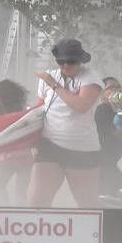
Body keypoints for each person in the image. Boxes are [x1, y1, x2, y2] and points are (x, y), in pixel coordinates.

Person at [29, 39, 104, 209]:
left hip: (82, 149)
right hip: (49, 144)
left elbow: (81, 106)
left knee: (87, 205)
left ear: (80, 61)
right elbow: (39, 109)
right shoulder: (48, 77)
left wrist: (54, 85)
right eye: (61, 61)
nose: (65, 66)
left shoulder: (90, 78)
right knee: (37, 201)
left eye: (71, 61)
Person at [0, 80, 33, 205]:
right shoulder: (25, 111)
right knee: (19, 191)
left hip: (12, 158)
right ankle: (16, 214)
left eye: (0, 98)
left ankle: (8, 212)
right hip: (22, 158)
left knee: (0, 185)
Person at [95, 78, 122, 197]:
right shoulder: (103, 109)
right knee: (120, 198)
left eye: (119, 87)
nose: (117, 90)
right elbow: (121, 133)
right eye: (111, 88)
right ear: (101, 94)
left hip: (109, 164)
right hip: (101, 166)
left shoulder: (116, 111)